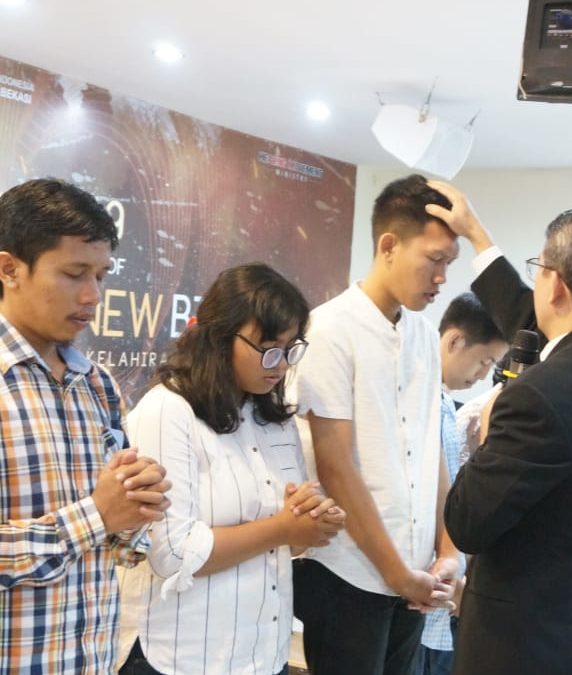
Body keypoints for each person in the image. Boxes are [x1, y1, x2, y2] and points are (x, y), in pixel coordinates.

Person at [438, 194, 572, 674]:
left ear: (556, 285)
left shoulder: (536, 398)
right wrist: (477, 235)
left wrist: (487, 437)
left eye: (538, 267)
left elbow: (467, 523)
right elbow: (534, 319)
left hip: (532, 645)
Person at [118, 263, 345, 675]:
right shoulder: (168, 410)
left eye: (291, 348)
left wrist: (311, 524)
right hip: (185, 655)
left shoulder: (274, 418)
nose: (281, 364)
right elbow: (172, 553)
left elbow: (290, 542)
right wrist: (282, 528)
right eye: (269, 348)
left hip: (262, 651)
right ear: (220, 337)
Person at [0, 178, 171, 673]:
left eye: (101, 275)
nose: (93, 295)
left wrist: (137, 508)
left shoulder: (98, 385)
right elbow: (95, 519)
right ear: (9, 269)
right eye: (75, 274)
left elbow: (118, 543)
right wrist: (96, 515)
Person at [292, 174, 460, 675]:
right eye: (434, 260)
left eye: (449, 264)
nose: (441, 278)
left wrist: (448, 552)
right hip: (348, 570)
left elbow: (431, 453)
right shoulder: (329, 329)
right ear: (389, 246)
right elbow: (335, 466)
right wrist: (397, 573)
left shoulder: (424, 336)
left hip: (414, 571)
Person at [415, 293, 507, 675]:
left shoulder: (441, 402)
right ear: (454, 341)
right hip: (426, 581)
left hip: (445, 576)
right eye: (485, 360)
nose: (485, 374)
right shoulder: (422, 403)